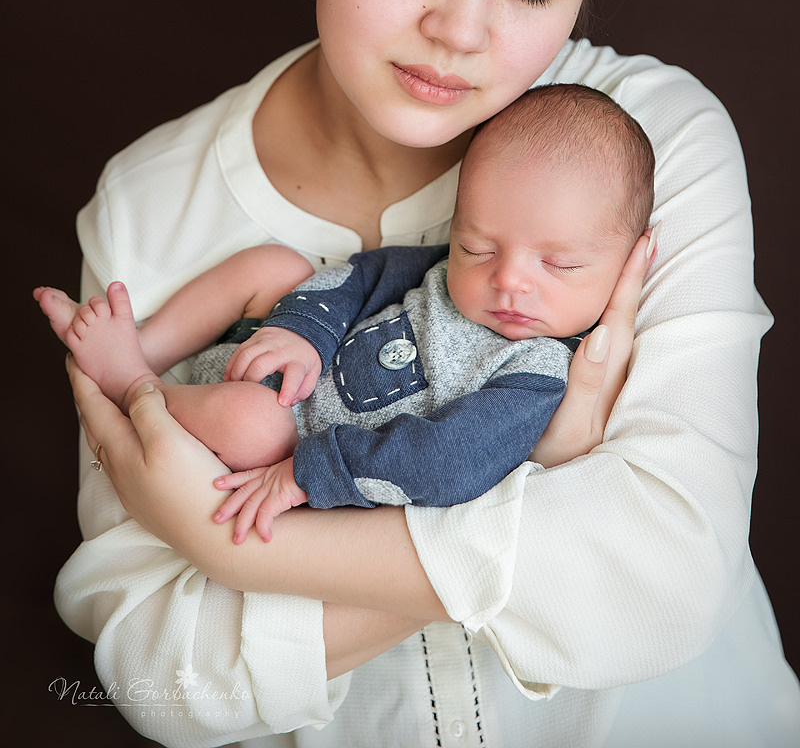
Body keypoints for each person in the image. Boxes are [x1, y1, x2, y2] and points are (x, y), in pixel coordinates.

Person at [56, 0, 800, 748]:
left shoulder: (651, 139)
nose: (459, 30)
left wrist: (232, 550)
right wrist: (541, 484)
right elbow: (160, 679)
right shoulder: (147, 204)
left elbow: (664, 577)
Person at [38, 84, 656, 544]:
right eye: (479, 246)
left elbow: (445, 464)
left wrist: (307, 475)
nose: (509, 282)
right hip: (283, 358)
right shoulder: (440, 272)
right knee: (278, 266)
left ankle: (131, 387)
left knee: (258, 425)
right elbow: (359, 278)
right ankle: (151, 347)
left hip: (292, 436)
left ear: (626, 265)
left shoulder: (534, 376)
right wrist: (300, 331)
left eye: (560, 265)